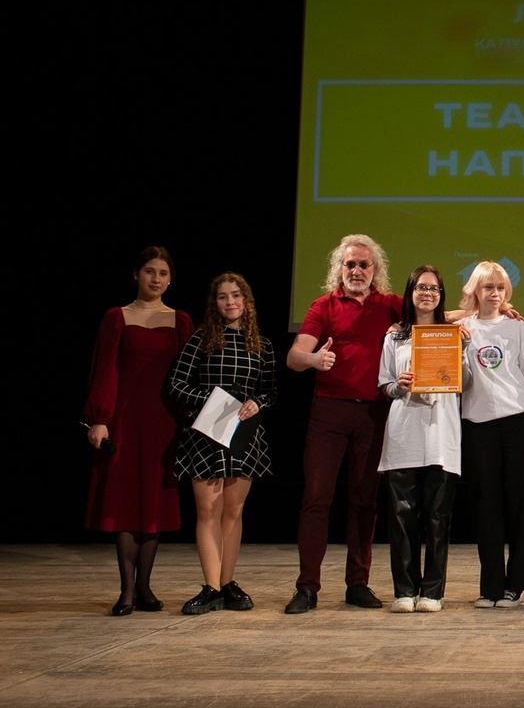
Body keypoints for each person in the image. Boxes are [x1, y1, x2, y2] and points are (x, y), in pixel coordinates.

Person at [284, 234, 400, 613]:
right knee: (316, 499)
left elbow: (436, 312)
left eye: (364, 264)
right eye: (350, 264)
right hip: (329, 414)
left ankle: (357, 584)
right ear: (340, 268)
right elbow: (295, 356)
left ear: (375, 270)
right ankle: (307, 587)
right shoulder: (323, 306)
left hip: (373, 415)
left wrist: (494, 311)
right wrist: (314, 360)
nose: (357, 270)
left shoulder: (390, 305)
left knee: (365, 501)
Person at [83, 246, 193, 616]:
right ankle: (127, 590)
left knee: (154, 502)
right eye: (149, 271)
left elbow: (188, 376)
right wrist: (100, 418)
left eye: (163, 273)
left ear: (171, 279)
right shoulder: (117, 317)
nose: (156, 279)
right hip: (125, 421)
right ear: (136, 274)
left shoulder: (180, 321)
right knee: (125, 501)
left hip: (164, 423)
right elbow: (105, 370)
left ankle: (145, 585)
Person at [168, 272, 277, 615]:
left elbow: (270, 391)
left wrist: (258, 403)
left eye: (236, 295)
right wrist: (212, 400)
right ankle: (211, 587)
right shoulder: (201, 339)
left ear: (247, 301)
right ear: (214, 303)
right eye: (222, 296)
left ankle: (227, 583)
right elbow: (176, 384)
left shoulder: (262, 345)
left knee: (233, 511)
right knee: (208, 511)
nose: (230, 302)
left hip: (243, 434)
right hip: (207, 433)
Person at [378, 265, 469, 613]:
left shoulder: (453, 335)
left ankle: (432, 592)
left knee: (437, 517)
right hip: (405, 431)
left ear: (441, 296)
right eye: (421, 287)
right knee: (402, 517)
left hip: (442, 433)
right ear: (411, 292)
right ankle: (404, 590)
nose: (427, 294)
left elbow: (466, 383)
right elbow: (384, 385)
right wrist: (398, 385)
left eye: (434, 289)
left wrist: (463, 351)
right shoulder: (394, 337)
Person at [458, 261, 524, 608]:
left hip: (518, 419)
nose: (495, 294)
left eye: (500, 288)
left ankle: (517, 584)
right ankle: (490, 586)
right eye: (488, 287)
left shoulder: (518, 328)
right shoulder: (461, 328)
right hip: (477, 423)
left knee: (520, 504)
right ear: (475, 291)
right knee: (486, 506)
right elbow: (430, 318)